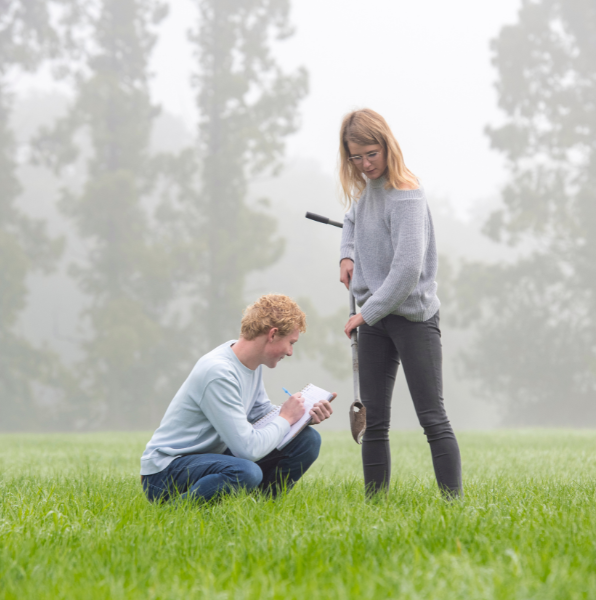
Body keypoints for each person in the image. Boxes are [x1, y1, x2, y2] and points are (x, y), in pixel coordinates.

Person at [337, 108, 462, 498]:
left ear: (387, 146)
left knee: (432, 417)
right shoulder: (366, 191)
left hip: (412, 318)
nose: (365, 164)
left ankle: (453, 505)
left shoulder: (406, 194)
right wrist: (346, 255)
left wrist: (365, 314)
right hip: (374, 319)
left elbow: (408, 270)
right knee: (373, 422)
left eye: (371, 154)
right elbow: (352, 221)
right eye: (355, 158)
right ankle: (375, 506)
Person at [140, 294, 334, 502]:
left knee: (308, 440)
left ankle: (258, 510)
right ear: (273, 334)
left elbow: (260, 415)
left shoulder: (249, 363)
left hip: (210, 460)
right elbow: (248, 449)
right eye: (291, 343)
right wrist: (286, 418)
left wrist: (303, 417)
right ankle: (175, 513)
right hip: (165, 472)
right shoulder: (218, 372)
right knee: (247, 472)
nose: (290, 352)